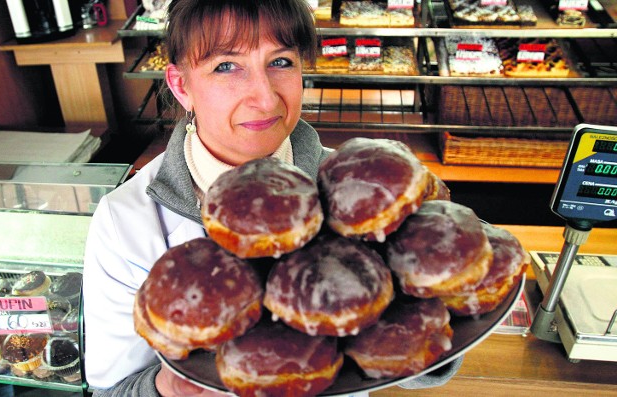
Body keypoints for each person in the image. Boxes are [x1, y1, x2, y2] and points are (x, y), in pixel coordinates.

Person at [82, 0, 462, 396]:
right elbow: (112, 390)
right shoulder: (125, 221)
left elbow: (419, 352)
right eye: (226, 66)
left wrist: (424, 327)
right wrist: (168, 389)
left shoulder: (363, 197)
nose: (264, 98)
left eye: (280, 62)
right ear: (181, 86)